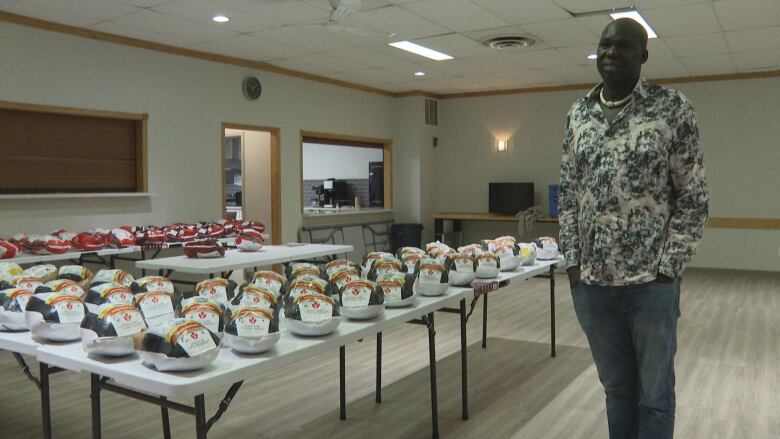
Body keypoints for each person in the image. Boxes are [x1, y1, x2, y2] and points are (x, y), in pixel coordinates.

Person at [558, 18, 709, 439]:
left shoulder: (671, 108)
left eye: (623, 47)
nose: (610, 54)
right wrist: (573, 266)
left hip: (651, 286)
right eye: (604, 46)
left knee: (655, 394)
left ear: (643, 55)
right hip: (593, 287)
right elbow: (568, 196)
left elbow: (693, 195)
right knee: (617, 390)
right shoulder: (578, 115)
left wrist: (668, 269)